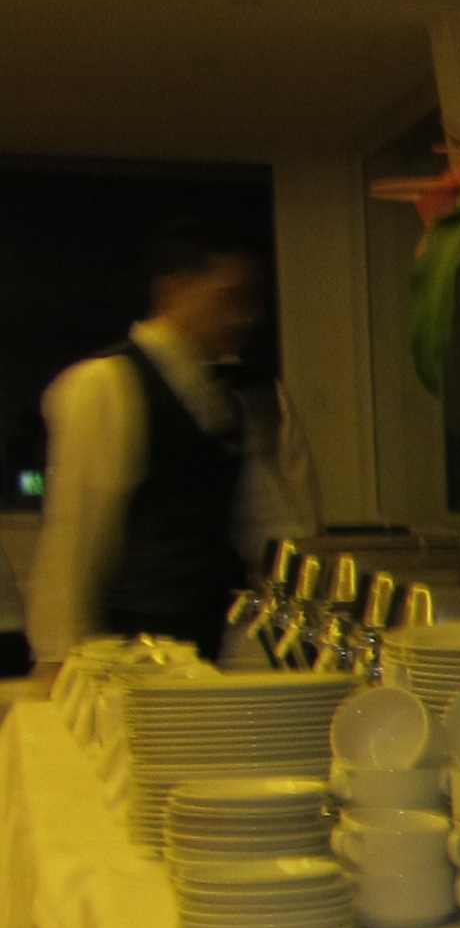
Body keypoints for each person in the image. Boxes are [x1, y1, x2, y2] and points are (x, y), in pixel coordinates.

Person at [29, 219, 320, 658]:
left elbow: (276, 526)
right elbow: (74, 540)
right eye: (229, 298)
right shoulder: (105, 383)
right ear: (174, 289)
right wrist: (58, 654)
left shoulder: (250, 393)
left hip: (223, 641)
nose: (245, 316)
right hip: (130, 649)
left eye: (252, 300)